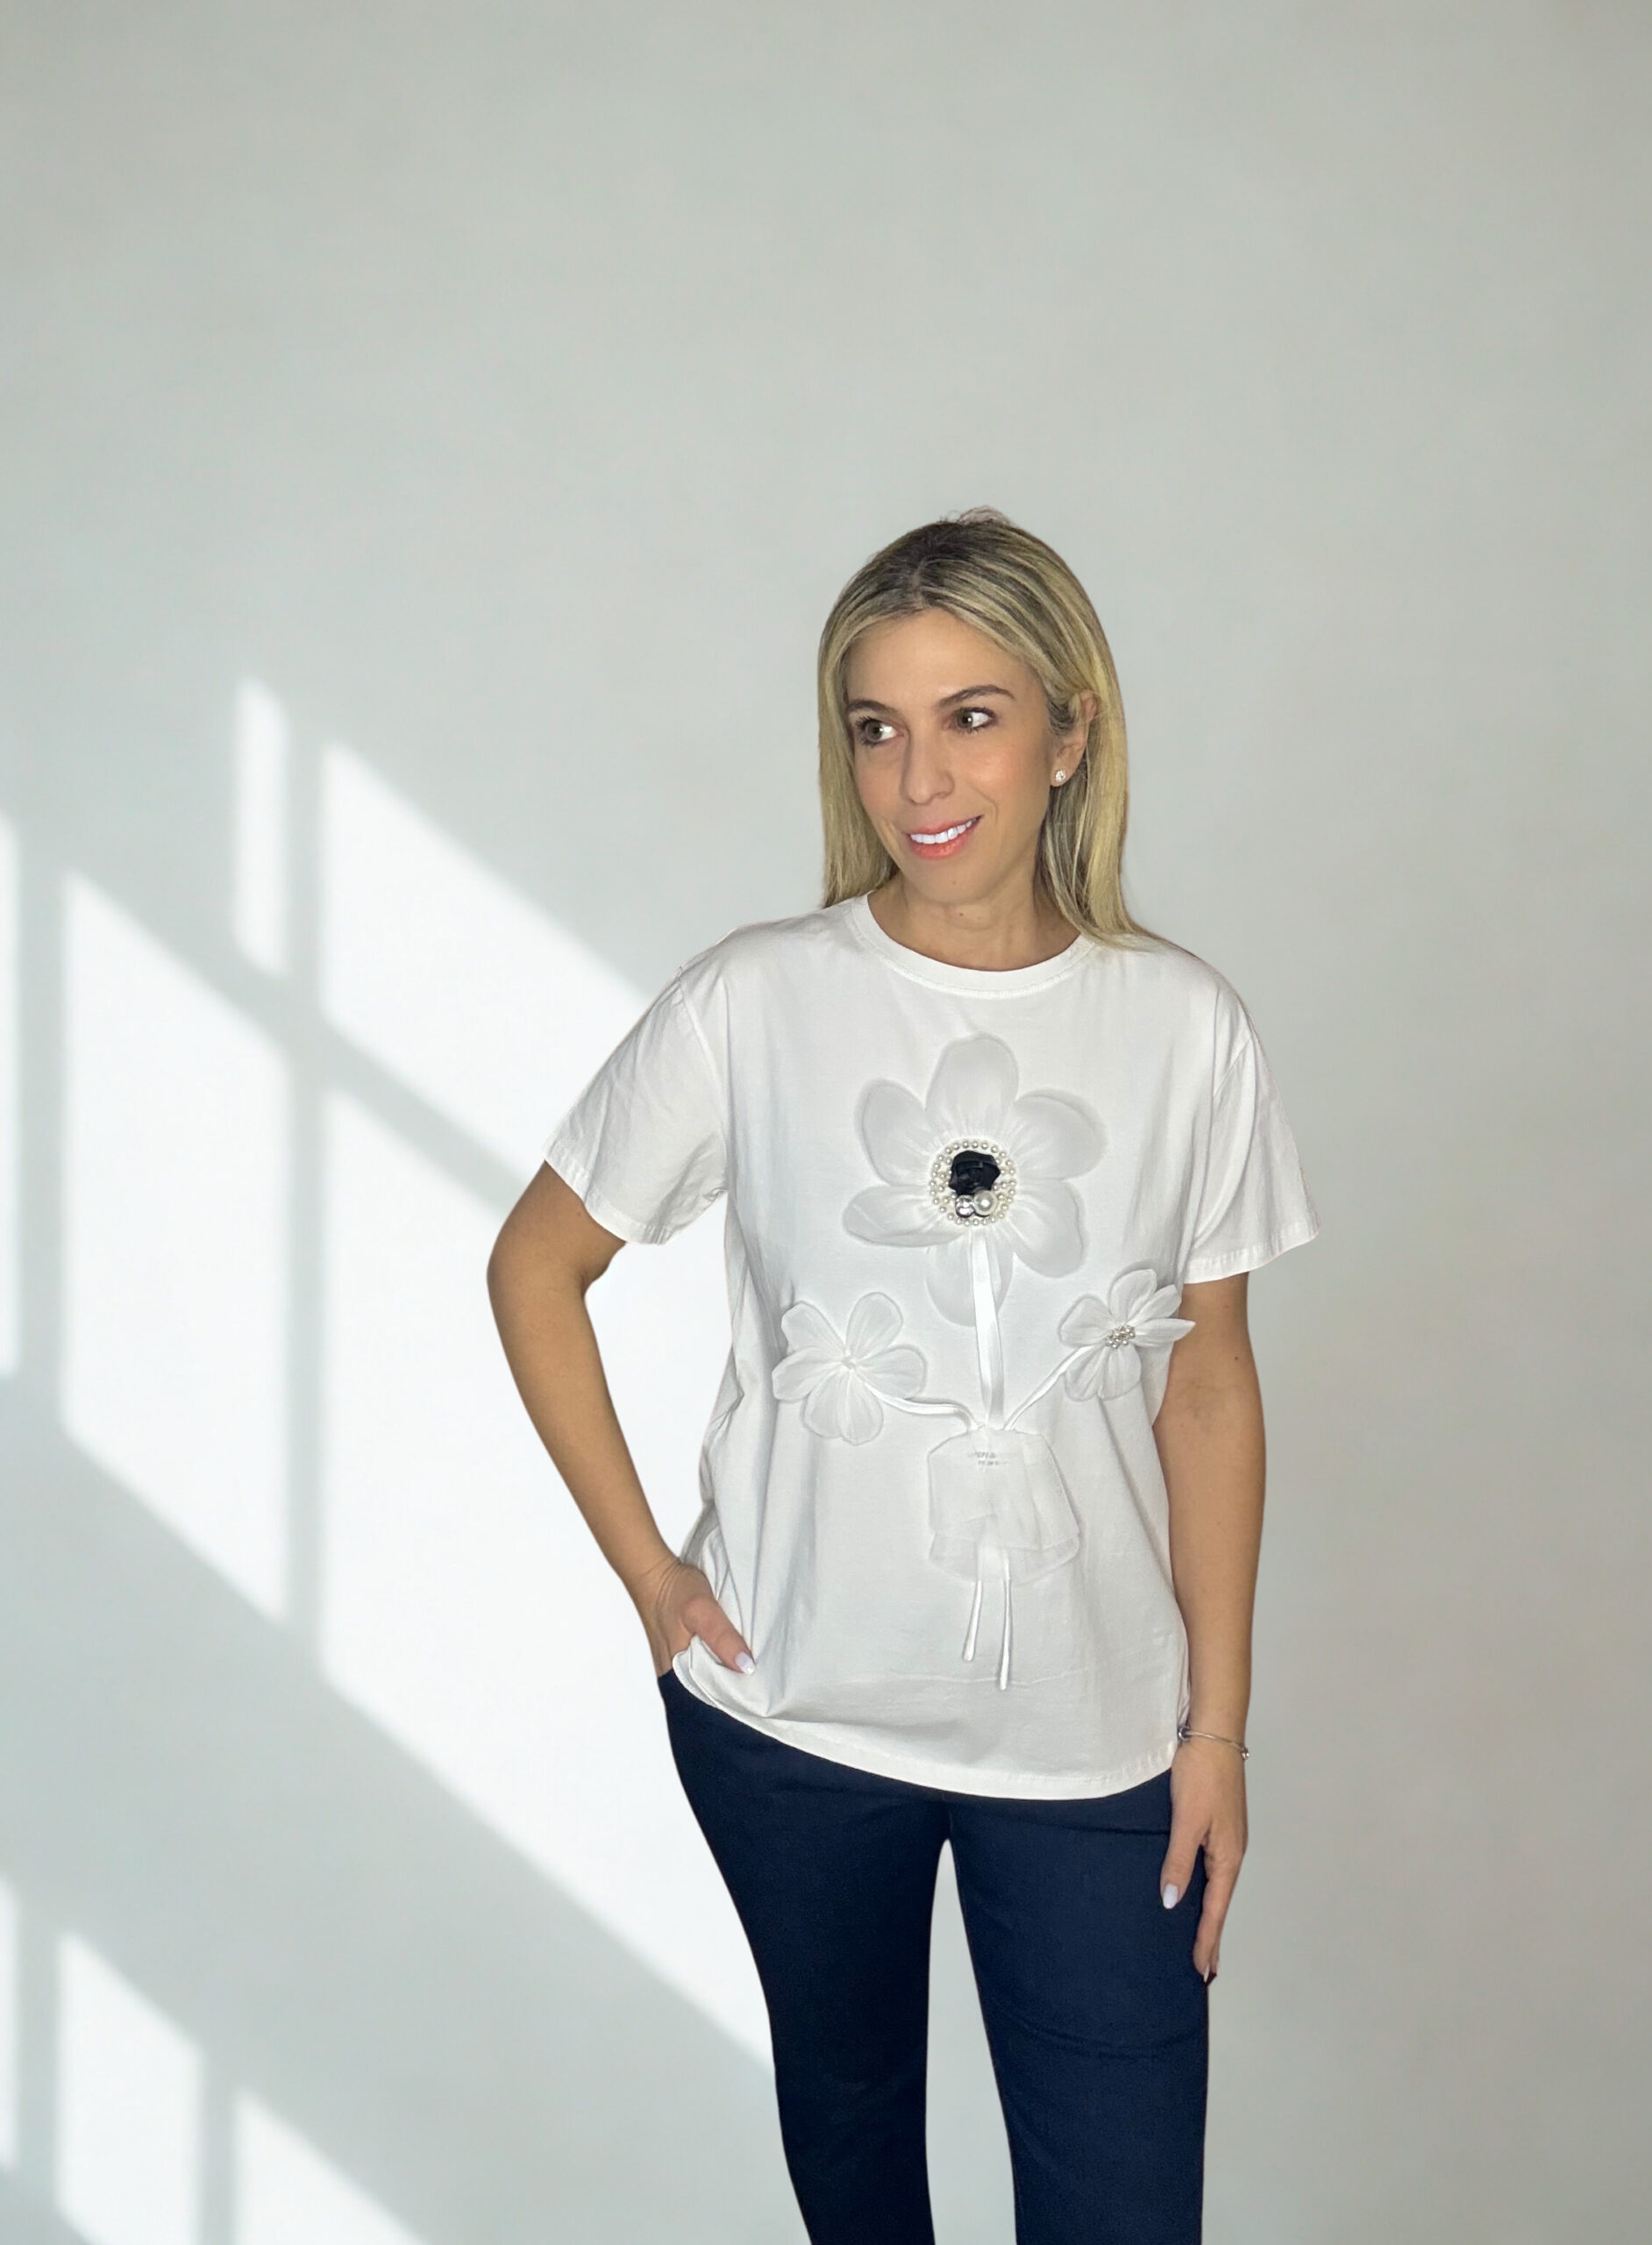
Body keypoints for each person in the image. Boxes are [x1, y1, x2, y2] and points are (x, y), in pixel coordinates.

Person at [486, 509, 1320, 2244]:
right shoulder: (758, 1001)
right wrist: (654, 1578)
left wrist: (1218, 1727)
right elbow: (537, 1265)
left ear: (1071, 733)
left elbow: (1210, 1389)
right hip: (794, 1721)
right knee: (858, 2169)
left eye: (972, 716)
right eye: (876, 726)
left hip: (1099, 1741)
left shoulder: (1186, 1029)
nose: (919, 777)